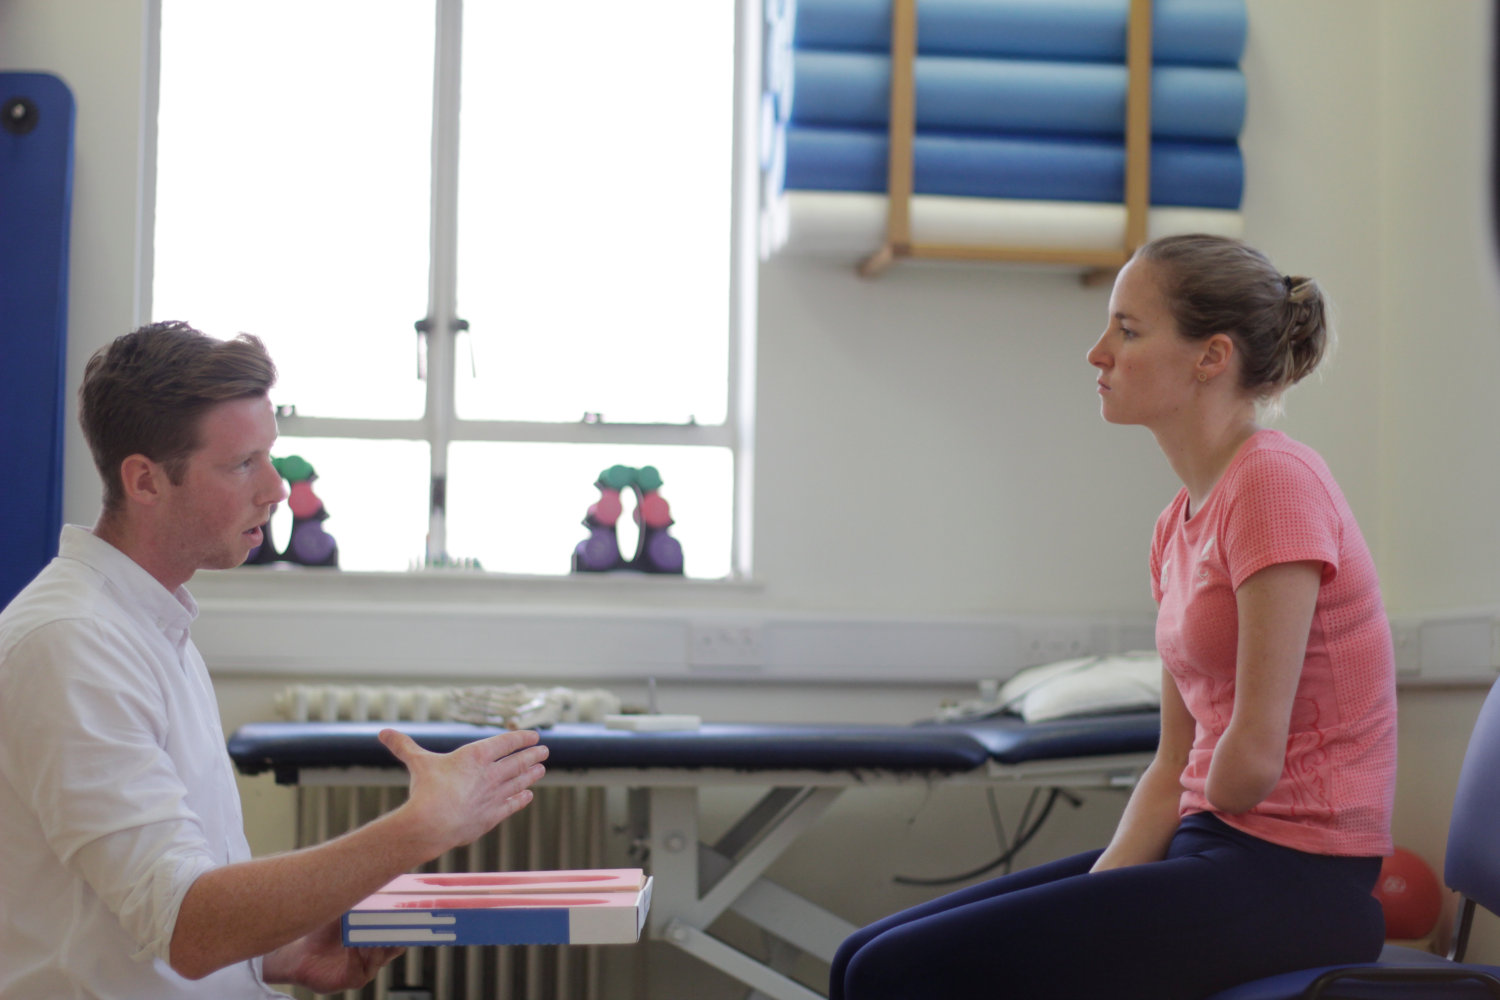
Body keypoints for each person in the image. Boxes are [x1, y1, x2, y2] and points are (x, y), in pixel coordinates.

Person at [830, 235, 1397, 1000]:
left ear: (1211, 357)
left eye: (1128, 330)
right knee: (861, 956)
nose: (1098, 353)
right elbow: (1174, 763)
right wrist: (1099, 892)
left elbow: (1248, 764)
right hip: (1211, 849)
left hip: (1296, 878)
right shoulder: (1176, 526)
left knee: (892, 975)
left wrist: (1094, 920)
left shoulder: (1274, 483)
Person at [0, 322, 550, 997]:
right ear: (145, 480)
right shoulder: (71, 643)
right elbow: (184, 924)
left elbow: (162, 913)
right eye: (242, 464)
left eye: (271, 456)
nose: (277, 488)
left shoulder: (147, 624)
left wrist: (277, 953)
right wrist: (419, 828)